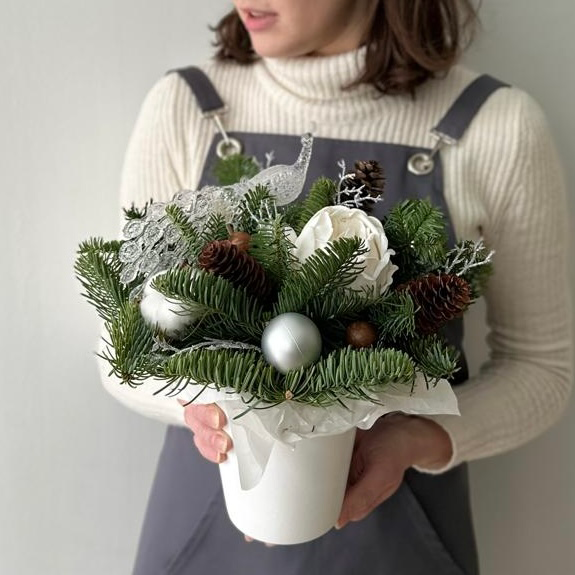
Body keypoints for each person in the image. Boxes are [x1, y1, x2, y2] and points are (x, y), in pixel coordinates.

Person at [104, 1, 573, 573]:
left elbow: (541, 366)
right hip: (204, 527)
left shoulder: (493, 126)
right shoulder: (190, 108)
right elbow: (119, 343)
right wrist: (194, 403)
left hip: (399, 542)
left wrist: (418, 437)